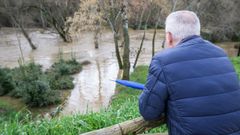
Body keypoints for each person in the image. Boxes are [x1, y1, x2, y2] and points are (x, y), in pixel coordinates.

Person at [139, 10, 240, 135]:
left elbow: (148, 112)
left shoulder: (162, 60)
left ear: (169, 36)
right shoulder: (220, 53)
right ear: (197, 31)